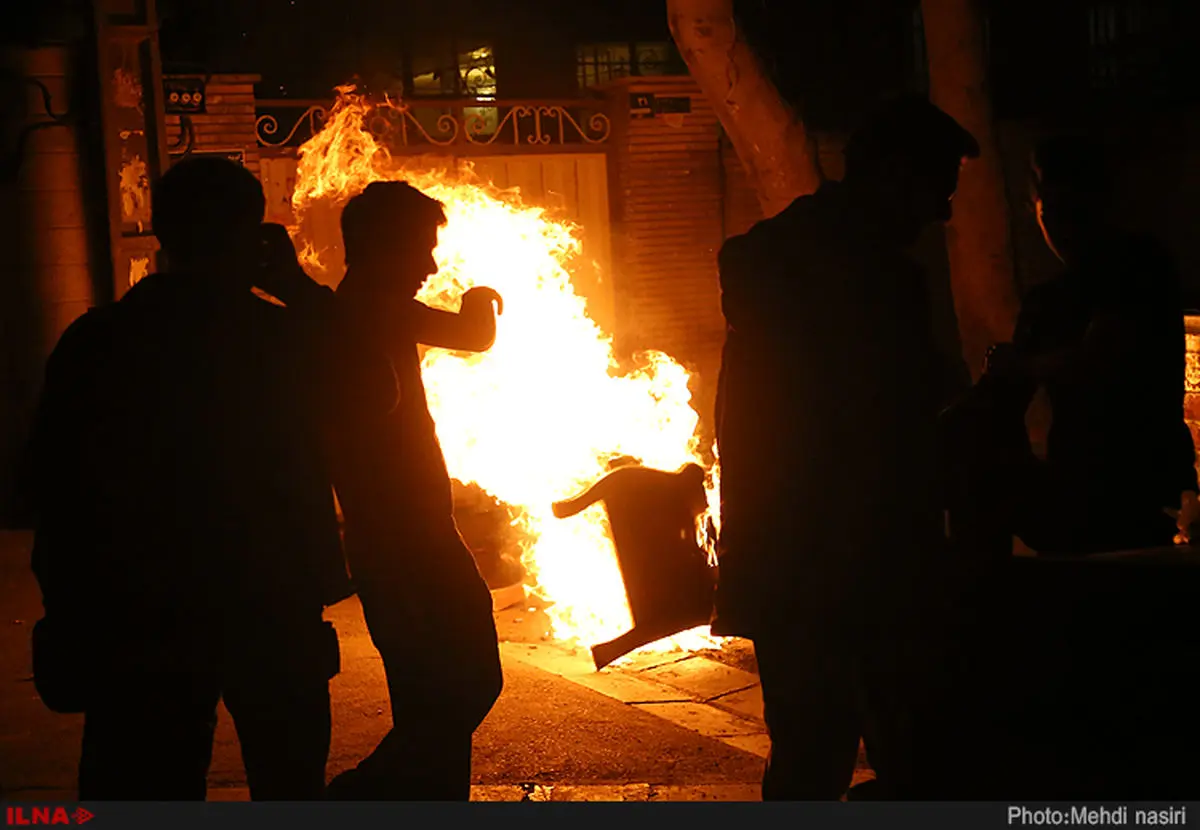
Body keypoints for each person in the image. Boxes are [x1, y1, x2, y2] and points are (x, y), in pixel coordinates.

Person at [19, 157, 395, 800]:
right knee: (289, 784)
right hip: (272, 597)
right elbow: (375, 395)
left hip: (141, 610)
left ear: (162, 231)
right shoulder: (279, 339)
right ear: (253, 237)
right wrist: (299, 288)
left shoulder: (100, 341)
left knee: (142, 787)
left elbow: (49, 484)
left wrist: (68, 602)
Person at [711, 95, 979, 800]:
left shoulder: (773, 261)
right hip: (862, 566)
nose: (942, 213)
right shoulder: (872, 280)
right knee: (899, 755)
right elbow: (889, 417)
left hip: (789, 563)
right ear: (893, 175)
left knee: (808, 754)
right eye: (937, 190)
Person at [323, 181, 504, 801]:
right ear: (383, 247)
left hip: (411, 536)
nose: (430, 265)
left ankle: (401, 792)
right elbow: (476, 336)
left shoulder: (359, 307)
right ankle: (362, 793)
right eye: (422, 249)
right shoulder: (373, 306)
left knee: (444, 688)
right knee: (461, 682)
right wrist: (480, 298)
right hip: (404, 543)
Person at [942, 136, 1198, 557]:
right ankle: (979, 602)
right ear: (1036, 213)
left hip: (1144, 496)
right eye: (1054, 214)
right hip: (1075, 490)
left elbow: (1102, 357)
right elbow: (1000, 400)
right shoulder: (1047, 301)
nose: (1066, 230)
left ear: (1103, 207)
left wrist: (1021, 368)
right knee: (972, 456)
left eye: (1078, 213)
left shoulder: (1141, 266)